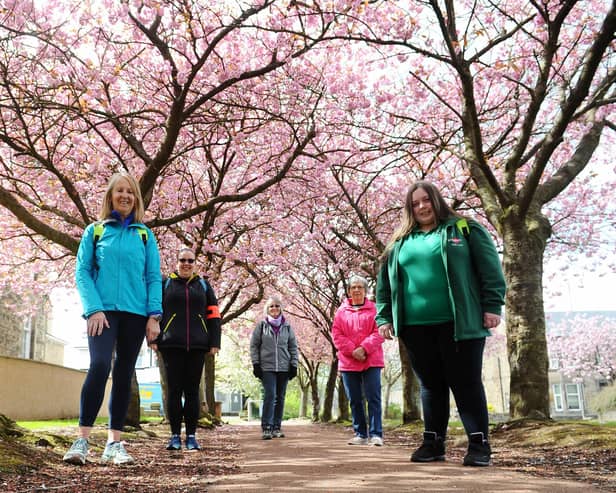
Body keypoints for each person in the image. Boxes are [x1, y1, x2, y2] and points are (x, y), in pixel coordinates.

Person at [375, 180, 506, 467]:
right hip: (415, 326)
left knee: (466, 383)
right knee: (431, 385)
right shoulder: (399, 243)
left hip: (460, 323)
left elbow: (490, 268)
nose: (422, 207)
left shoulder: (464, 229)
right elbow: (384, 284)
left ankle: (479, 445)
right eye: (415, 203)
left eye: (426, 200)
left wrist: (492, 305)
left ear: (437, 200)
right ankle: (433, 443)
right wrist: (384, 316)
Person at [64, 171, 162, 466]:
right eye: (119, 191)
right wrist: (93, 308)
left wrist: (153, 316)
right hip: (102, 313)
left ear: (136, 199)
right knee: (99, 365)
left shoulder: (145, 235)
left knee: (123, 374)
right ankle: (81, 440)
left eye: (130, 192)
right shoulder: (94, 231)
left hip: (135, 314)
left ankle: (114, 444)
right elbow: (82, 271)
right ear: (110, 197)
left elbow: (153, 277)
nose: (125, 196)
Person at [155, 248, 222, 451]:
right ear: (176, 262)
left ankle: (191, 436)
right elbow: (154, 313)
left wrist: (214, 342)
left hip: (197, 345)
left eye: (190, 260)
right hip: (171, 344)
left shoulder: (203, 285)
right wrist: (153, 339)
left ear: (195, 264)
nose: (186, 264)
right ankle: (175, 436)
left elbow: (214, 315)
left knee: (192, 392)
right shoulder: (165, 284)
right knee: (174, 391)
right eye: (182, 260)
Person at [332, 275, 385, 446]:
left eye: (360, 287)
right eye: (353, 287)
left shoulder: (375, 309)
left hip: (371, 359)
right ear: (348, 291)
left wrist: (364, 348)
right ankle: (360, 433)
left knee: (373, 397)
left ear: (365, 290)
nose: (356, 290)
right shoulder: (341, 312)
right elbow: (337, 335)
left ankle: (376, 434)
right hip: (349, 361)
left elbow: (379, 332)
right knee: (354, 399)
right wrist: (352, 350)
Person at [250, 296, 298, 440]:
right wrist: (256, 364)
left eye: (277, 306)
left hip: (284, 366)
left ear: (281, 308)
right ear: (267, 309)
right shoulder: (261, 326)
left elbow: (293, 347)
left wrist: (294, 364)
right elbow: (254, 346)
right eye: (271, 306)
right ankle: (267, 427)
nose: (274, 308)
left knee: (280, 397)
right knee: (270, 395)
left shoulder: (287, 327)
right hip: (267, 367)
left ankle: (277, 427)